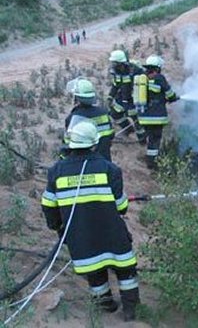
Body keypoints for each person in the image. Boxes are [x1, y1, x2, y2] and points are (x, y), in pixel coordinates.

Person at [41, 120, 140, 321]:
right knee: (125, 268)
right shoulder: (109, 169)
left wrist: (58, 227)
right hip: (112, 232)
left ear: (70, 143)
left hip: (80, 234)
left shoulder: (56, 171)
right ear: (95, 143)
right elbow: (121, 206)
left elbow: (49, 206)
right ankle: (130, 310)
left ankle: (106, 305)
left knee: (94, 271)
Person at [137, 55, 179, 169]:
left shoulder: (143, 78)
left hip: (144, 116)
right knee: (155, 139)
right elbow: (169, 93)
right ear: (158, 68)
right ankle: (152, 163)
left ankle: (146, 152)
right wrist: (173, 98)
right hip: (156, 117)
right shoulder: (159, 77)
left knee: (150, 136)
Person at [64, 77, 114, 161]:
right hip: (105, 161)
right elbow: (111, 135)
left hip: (84, 163)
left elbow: (68, 143)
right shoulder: (103, 113)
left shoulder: (74, 117)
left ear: (77, 98)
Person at [107, 50, 146, 143]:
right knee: (115, 114)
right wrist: (110, 97)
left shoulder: (134, 72)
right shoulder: (117, 72)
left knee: (137, 120)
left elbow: (139, 88)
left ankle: (142, 140)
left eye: (114, 63)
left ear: (120, 63)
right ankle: (128, 129)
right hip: (122, 98)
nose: (113, 65)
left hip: (134, 99)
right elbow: (115, 85)